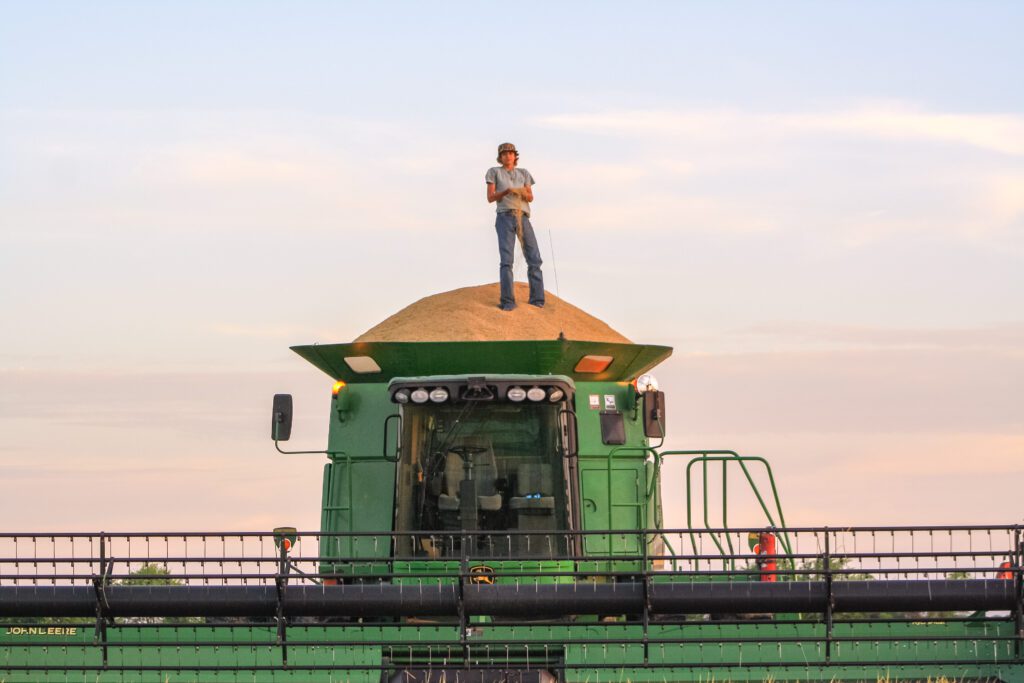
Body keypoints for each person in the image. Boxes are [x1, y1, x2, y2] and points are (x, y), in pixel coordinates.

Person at [485, 142, 545, 310]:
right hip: (504, 216)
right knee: (506, 261)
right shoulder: (494, 172)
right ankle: (508, 301)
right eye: (504, 154)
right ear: (500, 157)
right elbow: (490, 197)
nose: (507, 156)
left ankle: (537, 301)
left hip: (522, 217)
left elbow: (530, 197)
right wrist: (507, 191)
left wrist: (522, 192)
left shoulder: (524, 173)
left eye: (510, 153)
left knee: (534, 258)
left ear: (515, 156)